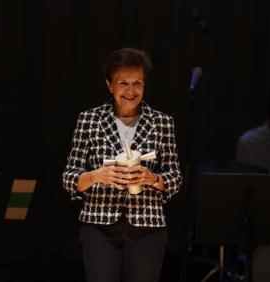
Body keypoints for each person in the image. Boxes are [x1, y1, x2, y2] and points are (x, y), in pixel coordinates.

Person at [62, 48, 182, 282]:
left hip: (147, 226)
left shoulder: (162, 122)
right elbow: (69, 178)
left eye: (137, 83)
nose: (131, 91)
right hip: (99, 226)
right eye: (123, 83)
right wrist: (97, 175)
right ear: (110, 85)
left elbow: (175, 178)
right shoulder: (89, 120)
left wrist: (152, 178)